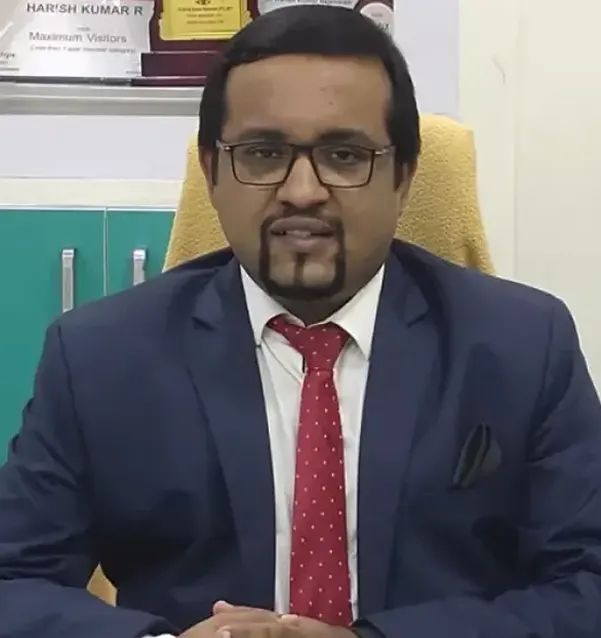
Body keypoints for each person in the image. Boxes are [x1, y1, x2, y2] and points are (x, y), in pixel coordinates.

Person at [1, 5, 601, 638]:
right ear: (212, 172)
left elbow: (587, 584)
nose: (303, 190)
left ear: (403, 176)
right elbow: (13, 579)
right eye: (263, 153)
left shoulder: (521, 346)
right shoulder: (100, 357)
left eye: (345, 155)